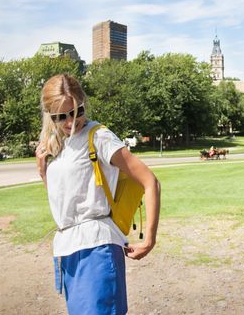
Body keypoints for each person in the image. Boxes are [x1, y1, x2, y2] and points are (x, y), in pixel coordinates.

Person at [36, 74, 161, 315]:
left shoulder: (99, 136)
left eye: (77, 111)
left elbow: (150, 181)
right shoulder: (58, 145)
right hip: (68, 250)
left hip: (97, 248)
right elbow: (64, 202)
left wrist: (149, 240)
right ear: (50, 116)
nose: (72, 122)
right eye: (61, 116)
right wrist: (43, 173)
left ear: (84, 103)